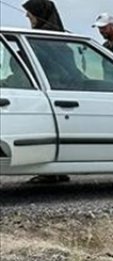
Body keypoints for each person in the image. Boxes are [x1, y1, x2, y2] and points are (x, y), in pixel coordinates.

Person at [23, 1, 70, 184]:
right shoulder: (48, 40)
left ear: (39, 13)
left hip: (54, 98)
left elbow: (63, 75)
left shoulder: (51, 43)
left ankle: (53, 170)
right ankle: (55, 171)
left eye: (30, 13)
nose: (27, 17)